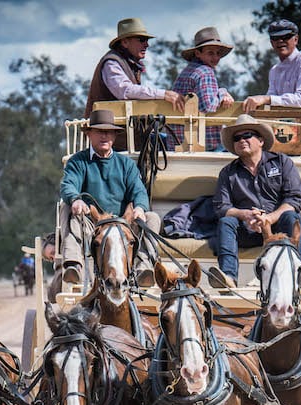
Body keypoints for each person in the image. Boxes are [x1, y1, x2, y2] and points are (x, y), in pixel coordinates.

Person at [57, 109, 161, 287]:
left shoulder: (125, 164)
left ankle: (144, 268)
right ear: (89, 134)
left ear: (114, 136)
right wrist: (76, 199)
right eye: (99, 131)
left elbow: (138, 190)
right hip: (92, 223)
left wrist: (140, 207)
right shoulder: (78, 161)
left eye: (108, 132)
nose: (104, 136)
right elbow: (68, 185)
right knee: (68, 208)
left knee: (152, 218)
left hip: (123, 224)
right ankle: (73, 265)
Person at [208, 115, 301, 289]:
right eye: (237, 138)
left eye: (246, 135)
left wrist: (269, 218)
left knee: (292, 217)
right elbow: (221, 207)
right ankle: (228, 279)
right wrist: (244, 215)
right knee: (226, 222)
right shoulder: (228, 173)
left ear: (261, 140)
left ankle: (296, 274)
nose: (241, 140)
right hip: (248, 230)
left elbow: (294, 198)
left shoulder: (282, 162)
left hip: (278, 230)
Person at [85, 17, 187, 151]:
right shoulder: (112, 63)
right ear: (125, 42)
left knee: (170, 142)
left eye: (147, 40)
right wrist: (164, 94)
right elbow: (126, 91)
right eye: (141, 40)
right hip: (110, 140)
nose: (147, 45)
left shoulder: (129, 63)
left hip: (127, 138)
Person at [240, 19, 301, 150]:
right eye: (276, 38)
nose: (280, 41)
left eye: (286, 37)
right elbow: (271, 103)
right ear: (271, 42)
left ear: (295, 39)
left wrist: (266, 99)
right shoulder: (274, 70)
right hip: (280, 134)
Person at [169, 26, 235, 151]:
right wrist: (222, 93)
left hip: (178, 142)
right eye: (210, 53)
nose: (215, 57)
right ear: (198, 53)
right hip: (205, 143)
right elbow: (208, 106)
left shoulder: (187, 71)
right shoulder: (205, 71)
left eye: (218, 53)